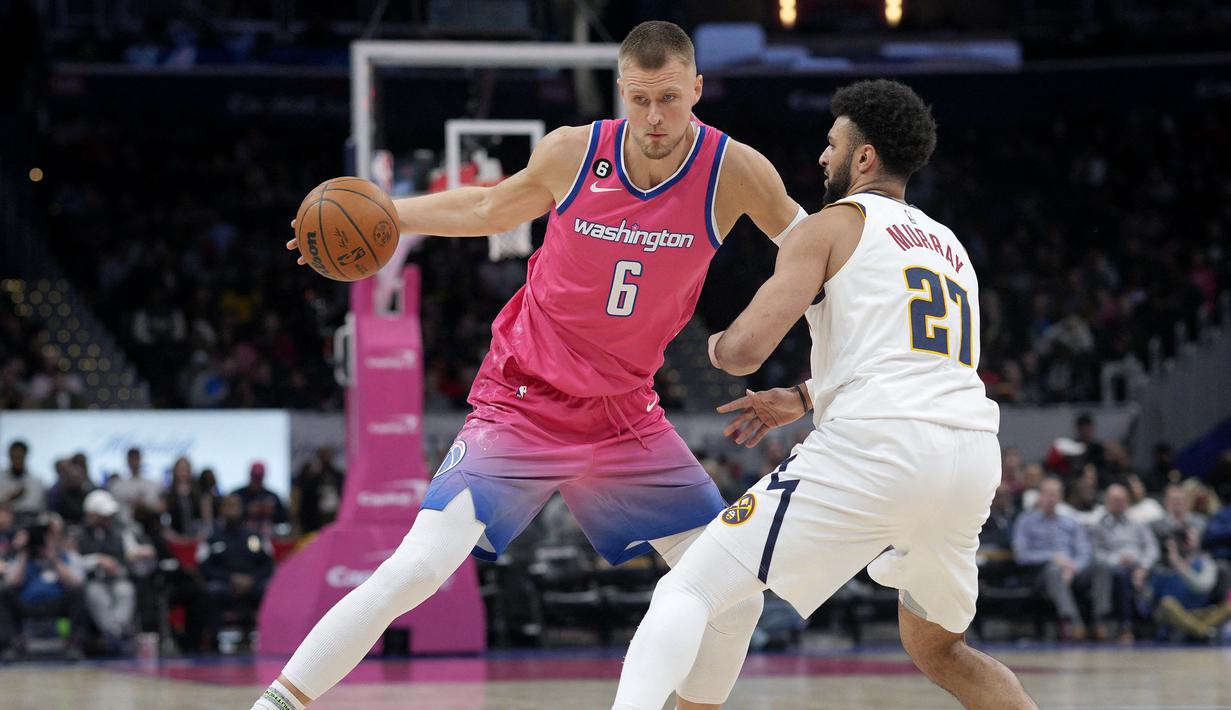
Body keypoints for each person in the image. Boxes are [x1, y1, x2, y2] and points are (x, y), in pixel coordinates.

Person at [255, 20, 806, 710]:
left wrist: (804, 363)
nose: (654, 116)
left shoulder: (735, 172)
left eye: (669, 97)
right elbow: (488, 207)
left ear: (696, 88)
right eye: (639, 99)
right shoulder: (574, 152)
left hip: (623, 414)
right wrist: (386, 215)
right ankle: (271, 706)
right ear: (619, 92)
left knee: (734, 597)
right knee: (417, 567)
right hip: (523, 398)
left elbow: (814, 250)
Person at [611, 79, 1035, 710]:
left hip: (876, 450)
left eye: (832, 144)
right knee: (941, 649)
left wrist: (703, 342)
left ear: (863, 158)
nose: (822, 157)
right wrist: (809, 395)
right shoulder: (950, 247)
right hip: (970, 458)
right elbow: (913, 357)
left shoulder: (831, 225)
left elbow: (744, 352)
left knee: (687, 592)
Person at [1013, 477, 1103, 640]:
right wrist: (1053, 557)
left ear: (1060, 498)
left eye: (1054, 494)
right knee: (1054, 571)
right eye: (1046, 494)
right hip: (1041, 573)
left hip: (1073, 571)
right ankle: (1073, 622)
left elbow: (1084, 551)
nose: (1050, 498)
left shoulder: (1071, 522)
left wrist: (1073, 567)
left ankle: (1100, 620)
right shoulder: (1025, 521)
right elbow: (1022, 555)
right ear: (1039, 497)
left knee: (1101, 566)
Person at [1088, 483, 1159, 642]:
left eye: (1122, 499)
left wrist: (1143, 567)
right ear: (1107, 501)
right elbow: (1095, 553)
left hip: (1139, 566)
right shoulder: (1098, 526)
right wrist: (1117, 561)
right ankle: (1124, 626)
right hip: (1113, 568)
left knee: (1157, 574)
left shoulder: (1138, 523)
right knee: (1120, 575)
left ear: (1128, 501)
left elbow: (1152, 548)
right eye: (1114, 500)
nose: (1119, 503)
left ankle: (1155, 625)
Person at [108, 447, 163, 523]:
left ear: (140, 460)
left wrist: (145, 505)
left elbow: (160, 508)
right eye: (132, 459)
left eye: (136, 459)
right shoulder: (117, 486)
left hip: (149, 526)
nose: (134, 462)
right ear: (127, 461)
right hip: (125, 525)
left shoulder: (153, 485)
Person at [0, 440, 45, 520]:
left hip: (30, 519)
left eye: (20, 456)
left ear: (25, 456)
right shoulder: (1, 479)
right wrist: (9, 499)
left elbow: (40, 508)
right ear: (9, 456)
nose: (17, 460)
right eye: (14, 456)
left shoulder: (36, 482)